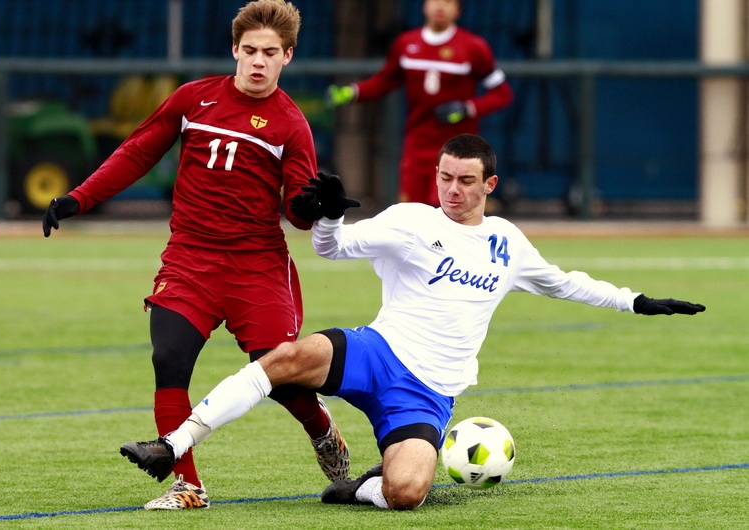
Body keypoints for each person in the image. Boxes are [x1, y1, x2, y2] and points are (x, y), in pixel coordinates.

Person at [118, 134, 705, 510]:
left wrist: (636, 301)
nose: (453, 189)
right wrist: (328, 216)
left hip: (426, 393)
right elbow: (331, 248)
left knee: (407, 493)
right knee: (285, 357)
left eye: (466, 181)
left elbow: (563, 282)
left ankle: (362, 487)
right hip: (377, 352)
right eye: (445, 177)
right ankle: (173, 446)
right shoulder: (409, 221)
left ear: (489, 185)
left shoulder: (507, 242)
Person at [42, 0, 350, 511]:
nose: (257, 61)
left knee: (277, 376)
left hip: (257, 266)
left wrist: (315, 206)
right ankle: (188, 486)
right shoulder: (194, 98)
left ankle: (322, 431)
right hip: (190, 260)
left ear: (288, 56)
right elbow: (138, 151)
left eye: (269, 52)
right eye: (249, 50)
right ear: (234, 49)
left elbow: (297, 212)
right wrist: (79, 198)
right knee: (169, 359)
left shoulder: (292, 125)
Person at [326, 0, 513, 207]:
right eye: (434, 1)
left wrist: (467, 108)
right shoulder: (406, 43)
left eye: (448, 2)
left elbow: (502, 94)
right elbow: (384, 81)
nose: (440, 6)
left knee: (444, 208)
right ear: (424, 6)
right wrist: (353, 92)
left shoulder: (473, 47)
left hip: (456, 148)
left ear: (458, 10)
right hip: (416, 144)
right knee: (413, 210)